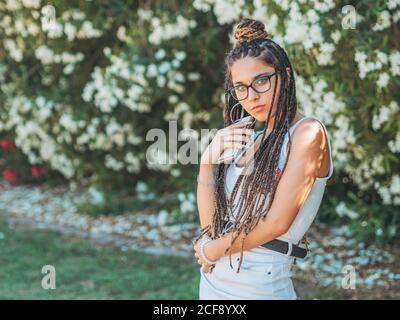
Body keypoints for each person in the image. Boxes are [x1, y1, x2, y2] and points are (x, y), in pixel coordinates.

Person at [193, 18, 334, 300]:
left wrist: (211, 250)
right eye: (241, 87)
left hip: (260, 286)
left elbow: (277, 223)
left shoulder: (308, 133)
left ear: (286, 75)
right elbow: (213, 226)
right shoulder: (251, 141)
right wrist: (207, 161)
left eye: (261, 81)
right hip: (212, 284)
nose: (251, 97)